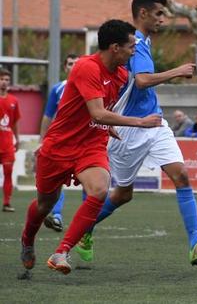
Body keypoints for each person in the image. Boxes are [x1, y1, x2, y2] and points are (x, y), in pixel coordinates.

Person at [74, 0, 197, 267]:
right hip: (128, 128)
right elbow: (141, 80)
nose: (163, 20)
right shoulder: (136, 43)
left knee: (182, 176)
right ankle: (85, 229)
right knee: (122, 194)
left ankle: (195, 244)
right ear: (143, 13)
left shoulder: (143, 42)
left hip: (154, 122)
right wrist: (177, 71)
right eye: (159, 14)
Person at [19, 19, 162, 275]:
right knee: (45, 204)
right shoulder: (86, 67)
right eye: (131, 46)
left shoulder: (119, 74)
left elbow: (102, 112)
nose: (134, 51)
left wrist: (110, 125)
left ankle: (61, 251)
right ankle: (27, 240)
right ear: (115, 48)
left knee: (98, 189)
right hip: (60, 145)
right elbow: (97, 113)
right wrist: (139, 121)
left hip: (92, 143)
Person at [40, 54, 79, 231]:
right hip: (62, 141)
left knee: (94, 181)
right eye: (70, 63)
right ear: (65, 68)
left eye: (77, 63)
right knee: (58, 181)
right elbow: (48, 116)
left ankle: (88, 223)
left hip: (84, 142)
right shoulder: (58, 89)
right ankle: (56, 215)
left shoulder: (93, 85)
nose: (74, 66)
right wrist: (43, 140)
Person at [0, 69, 20, 212]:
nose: (4, 82)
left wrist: (17, 138)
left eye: (7, 79)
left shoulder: (14, 100)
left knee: (8, 173)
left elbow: (14, 122)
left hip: (7, 144)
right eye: (1, 79)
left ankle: (7, 203)